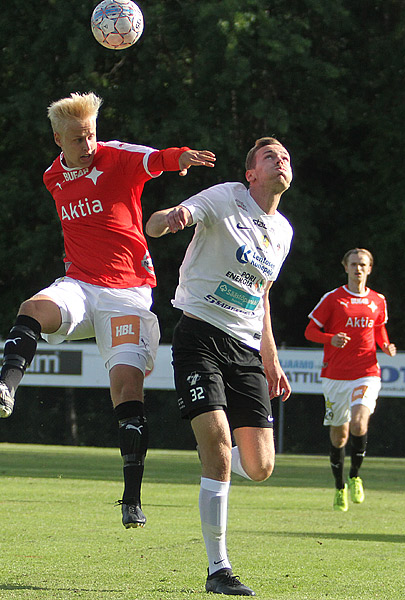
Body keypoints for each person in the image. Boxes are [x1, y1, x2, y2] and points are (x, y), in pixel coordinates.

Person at [0, 91, 216, 528]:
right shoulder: (52, 178)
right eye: (79, 139)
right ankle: (6, 391)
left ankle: (131, 499)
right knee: (31, 307)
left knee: (125, 388)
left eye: (92, 135)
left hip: (128, 294)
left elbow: (153, 160)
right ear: (58, 140)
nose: (88, 145)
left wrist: (181, 158)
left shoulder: (114, 157)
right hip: (80, 286)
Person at [145, 137, 293, 596]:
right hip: (200, 336)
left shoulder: (283, 231)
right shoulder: (224, 196)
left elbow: (262, 294)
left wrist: (270, 354)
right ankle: (218, 568)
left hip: (246, 348)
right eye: (271, 157)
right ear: (251, 173)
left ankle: (219, 461)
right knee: (217, 447)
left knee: (262, 466)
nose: (281, 161)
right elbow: (165, 220)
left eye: (286, 157)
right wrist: (171, 219)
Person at [304, 248, 396, 512]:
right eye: (354, 264)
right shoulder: (333, 299)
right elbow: (310, 331)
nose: (358, 268)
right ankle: (339, 487)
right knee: (339, 435)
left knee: (358, 422)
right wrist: (329, 338)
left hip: (367, 371)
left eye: (363, 264)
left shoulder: (378, 300)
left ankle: (355, 476)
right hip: (335, 376)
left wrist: (386, 345)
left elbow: (379, 329)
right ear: (345, 267)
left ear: (369, 269)